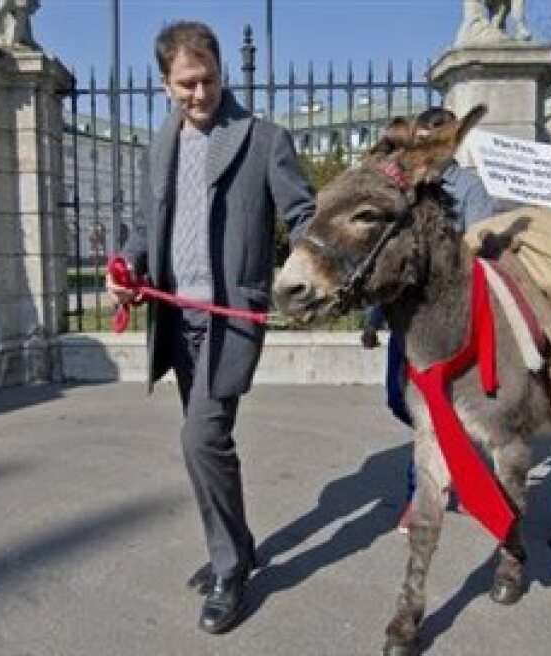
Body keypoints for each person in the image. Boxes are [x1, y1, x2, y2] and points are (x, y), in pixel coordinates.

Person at [105, 21, 315, 634]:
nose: (200, 95)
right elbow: (147, 227)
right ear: (165, 83)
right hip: (176, 319)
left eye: (209, 81)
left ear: (223, 72)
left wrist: (312, 265)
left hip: (231, 320)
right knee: (207, 448)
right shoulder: (162, 141)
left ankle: (230, 568)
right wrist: (127, 265)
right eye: (186, 85)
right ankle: (240, 544)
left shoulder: (263, 139)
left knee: (201, 440)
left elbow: (303, 213)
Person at [359, 107, 495, 532]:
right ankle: (459, 458)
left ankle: (421, 499)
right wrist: (372, 314)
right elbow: (383, 252)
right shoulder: (403, 186)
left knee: (429, 410)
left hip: (449, 323)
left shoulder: (469, 188)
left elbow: (481, 249)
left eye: (432, 139)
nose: (422, 148)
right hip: (405, 317)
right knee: (400, 401)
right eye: (420, 138)